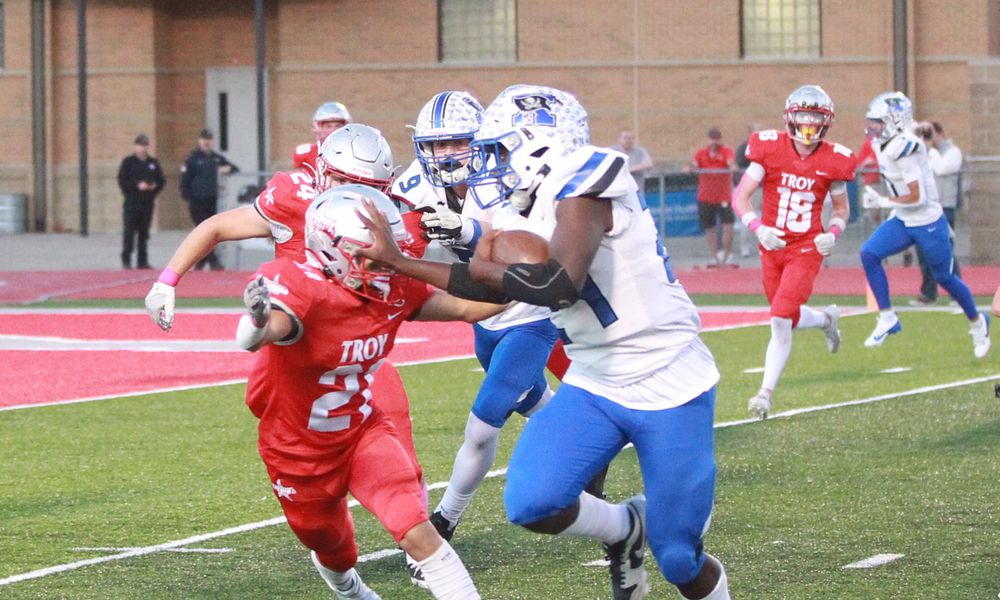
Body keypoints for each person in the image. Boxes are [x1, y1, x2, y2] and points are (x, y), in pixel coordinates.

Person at [357, 84, 731, 600]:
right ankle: (626, 529)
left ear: (538, 142)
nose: (490, 163)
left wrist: (485, 265)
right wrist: (400, 263)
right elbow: (479, 281)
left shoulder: (593, 175)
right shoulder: (522, 206)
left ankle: (660, 542)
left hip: (669, 377)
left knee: (679, 559)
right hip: (596, 378)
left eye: (500, 148)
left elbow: (560, 285)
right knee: (532, 501)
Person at [145, 125, 428, 541]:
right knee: (297, 443)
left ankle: (415, 536)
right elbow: (218, 226)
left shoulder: (390, 216)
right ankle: (327, 528)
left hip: (354, 342)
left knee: (396, 431)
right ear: (321, 171)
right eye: (344, 181)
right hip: (293, 346)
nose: (353, 193)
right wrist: (166, 280)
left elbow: (412, 280)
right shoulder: (293, 195)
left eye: (367, 187)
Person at [236, 185, 490, 599]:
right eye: (365, 254)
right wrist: (257, 320)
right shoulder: (301, 284)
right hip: (298, 452)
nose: (380, 264)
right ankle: (351, 591)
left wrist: (534, 290)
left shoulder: (391, 290)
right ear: (328, 250)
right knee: (335, 549)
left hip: (362, 433)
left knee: (417, 530)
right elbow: (261, 334)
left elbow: (466, 307)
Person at [391, 90, 565, 587]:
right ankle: (599, 452)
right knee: (543, 410)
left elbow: (514, 243)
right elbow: (396, 226)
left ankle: (444, 522)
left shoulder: (509, 175)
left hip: (529, 315)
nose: (445, 154)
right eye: (435, 144)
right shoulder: (415, 183)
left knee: (484, 425)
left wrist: (466, 228)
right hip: (483, 318)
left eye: (455, 143)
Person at [732, 85, 853, 420]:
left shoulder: (835, 159)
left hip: (807, 247)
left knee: (780, 316)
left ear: (826, 121)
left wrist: (833, 232)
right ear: (790, 116)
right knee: (785, 314)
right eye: (803, 115)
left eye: (815, 117)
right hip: (770, 245)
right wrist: (758, 227)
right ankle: (827, 319)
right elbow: (740, 198)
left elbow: (843, 209)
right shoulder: (769, 148)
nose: (808, 124)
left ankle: (765, 393)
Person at [860, 91, 990, 358]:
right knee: (869, 253)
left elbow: (917, 197)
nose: (873, 127)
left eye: (878, 121)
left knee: (944, 277)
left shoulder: (905, 148)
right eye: (873, 121)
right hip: (903, 219)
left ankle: (978, 322)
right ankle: (887, 317)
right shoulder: (889, 139)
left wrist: (882, 201)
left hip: (927, 221)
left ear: (893, 122)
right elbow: (912, 124)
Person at [910, 121, 963, 306]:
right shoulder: (924, 153)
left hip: (944, 207)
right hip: (926, 208)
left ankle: (956, 294)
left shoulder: (952, 152)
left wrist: (928, 150)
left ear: (939, 133)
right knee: (923, 252)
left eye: (929, 132)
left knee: (946, 251)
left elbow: (942, 168)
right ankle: (928, 293)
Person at [179, 129, 239, 271]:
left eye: (209, 139)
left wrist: (227, 169)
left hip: (212, 201)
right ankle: (214, 260)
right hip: (197, 201)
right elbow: (184, 182)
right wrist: (189, 198)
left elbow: (234, 168)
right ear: (199, 141)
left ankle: (201, 260)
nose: (206, 142)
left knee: (209, 233)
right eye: (204, 139)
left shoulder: (215, 158)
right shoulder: (192, 159)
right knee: (205, 230)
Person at [686, 128, 736, 267]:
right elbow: (694, 166)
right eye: (712, 138)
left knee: (728, 226)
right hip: (706, 197)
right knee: (710, 227)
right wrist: (690, 168)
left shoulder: (726, 151)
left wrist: (732, 167)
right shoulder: (701, 154)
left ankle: (727, 255)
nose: (714, 142)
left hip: (724, 196)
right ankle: (715, 257)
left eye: (717, 138)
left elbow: (731, 163)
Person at [117, 134, 165, 270]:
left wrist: (154, 187)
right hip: (132, 201)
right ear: (135, 146)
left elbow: (161, 180)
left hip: (147, 202)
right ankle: (126, 260)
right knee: (129, 231)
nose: (142, 148)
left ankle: (142, 261)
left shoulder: (153, 163)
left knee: (144, 233)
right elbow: (122, 181)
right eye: (140, 145)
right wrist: (137, 186)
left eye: (145, 145)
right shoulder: (128, 162)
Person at [293, 101, 352, 174]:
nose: (333, 130)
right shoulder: (305, 154)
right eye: (328, 126)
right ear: (318, 127)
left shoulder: (355, 151)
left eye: (338, 126)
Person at [611, 129, 654, 194]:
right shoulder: (612, 151)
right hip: (617, 190)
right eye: (625, 138)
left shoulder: (640, 151)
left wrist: (627, 170)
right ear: (619, 139)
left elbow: (649, 164)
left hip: (636, 190)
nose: (627, 141)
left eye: (630, 138)